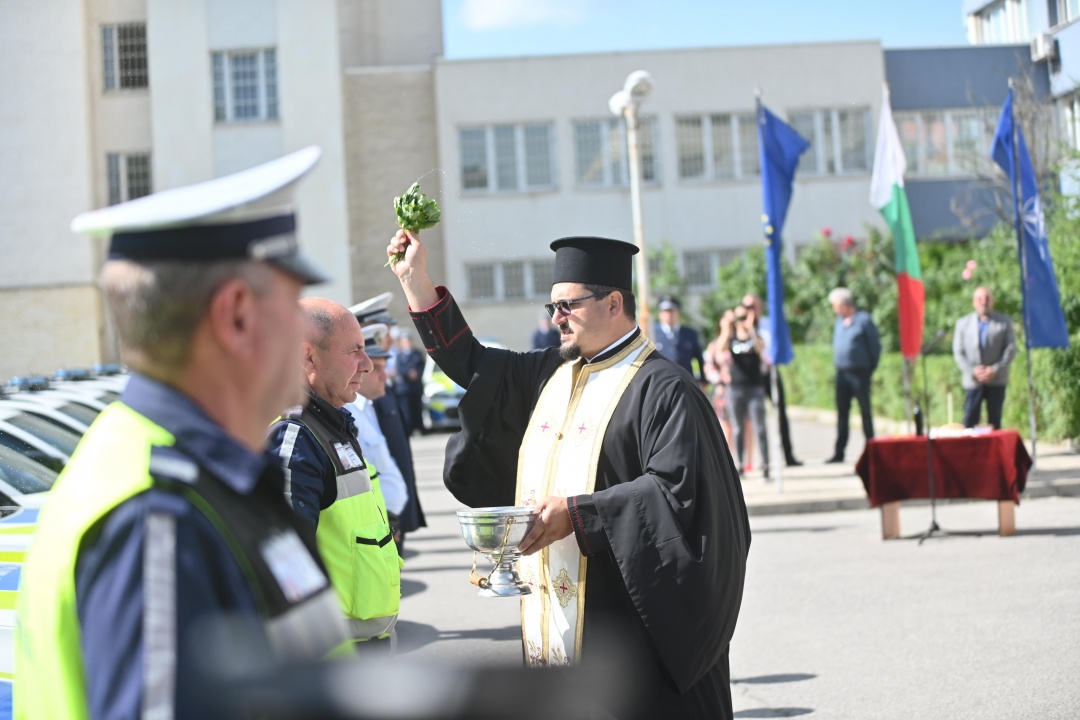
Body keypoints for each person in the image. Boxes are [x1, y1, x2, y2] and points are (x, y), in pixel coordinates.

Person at [15, 147, 350, 720]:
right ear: (237, 315)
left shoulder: (183, 477)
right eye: (289, 301)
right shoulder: (157, 516)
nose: (302, 329)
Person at [387, 230, 750, 720]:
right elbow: (471, 364)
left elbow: (678, 498)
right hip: (553, 613)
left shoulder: (664, 389)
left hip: (626, 621)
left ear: (613, 303)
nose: (554, 318)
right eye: (551, 307)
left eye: (567, 306)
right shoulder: (552, 374)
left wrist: (578, 516)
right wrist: (416, 280)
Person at [267, 299, 402, 652]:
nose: (368, 364)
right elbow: (283, 571)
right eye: (354, 351)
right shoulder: (296, 437)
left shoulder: (332, 425)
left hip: (367, 645)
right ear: (308, 357)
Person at [350, 295, 426, 553]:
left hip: (390, 515)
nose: (390, 340)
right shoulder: (354, 405)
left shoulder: (373, 397)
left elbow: (395, 454)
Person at [743, 293, 802, 467]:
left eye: (753, 306)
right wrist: (749, 327)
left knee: (781, 413)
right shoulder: (743, 326)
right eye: (747, 307)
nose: (750, 311)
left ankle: (788, 455)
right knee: (754, 418)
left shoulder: (769, 323)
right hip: (751, 376)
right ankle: (760, 460)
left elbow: (772, 347)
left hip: (769, 373)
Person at [827, 287, 881, 463]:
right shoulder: (839, 322)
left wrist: (869, 369)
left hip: (860, 373)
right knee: (842, 414)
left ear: (844, 305)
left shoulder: (863, 320)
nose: (834, 309)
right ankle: (839, 452)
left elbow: (875, 347)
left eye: (835, 305)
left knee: (865, 411)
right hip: (842, 373)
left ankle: (871, 449)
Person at [953, 286, 1017, 429]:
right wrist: (973, 371)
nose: (983, 302)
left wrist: (994, 369)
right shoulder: (963, 323)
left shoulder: (1004, 322)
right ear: (974, 302)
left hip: (996, 379)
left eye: (987, 298)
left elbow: (1011, 349)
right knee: (970, 419)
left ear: (992, 302)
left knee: (995, 421)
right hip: (973, 380)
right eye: (979, 299)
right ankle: (969, 450)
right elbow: (959, 352)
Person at [719, 305, 770, 479]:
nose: (742, 320)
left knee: (759, 427)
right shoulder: (731, 339)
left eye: (744, 316)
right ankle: (739, 464)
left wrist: (752, 329)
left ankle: (765, 465)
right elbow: (720, 348)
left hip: (755, 388)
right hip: (736, 389)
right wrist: (727, 327)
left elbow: (761, 349)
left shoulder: (756, 336)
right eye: (739, 317)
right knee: (738, 429)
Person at [652, 295, 706, 385]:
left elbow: (698, 358)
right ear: (660, 313)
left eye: (672, 311)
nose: (669, 315)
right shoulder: (653, 334)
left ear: (678, 312)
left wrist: (703, 380)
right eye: (665, 311)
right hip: (661, 383)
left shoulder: (690, 333)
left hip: (686, 383)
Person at [703, 311, 735, 447]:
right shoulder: (714, 346)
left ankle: (745, 461)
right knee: (725, 425)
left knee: (743, 426)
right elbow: (709, 368)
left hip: (739, 388)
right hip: (723, 390)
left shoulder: (738, 343)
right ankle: (729, 461)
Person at [394, 332, 426, 435]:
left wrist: (417, 373)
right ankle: (409, 429)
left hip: (416, 387)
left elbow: (422, 366)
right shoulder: (400, 355)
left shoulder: (417, 353)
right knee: (406, 410)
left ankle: (420, 428)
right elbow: (399, 369)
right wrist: (408, 373)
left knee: (418, 409)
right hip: (405, 388)